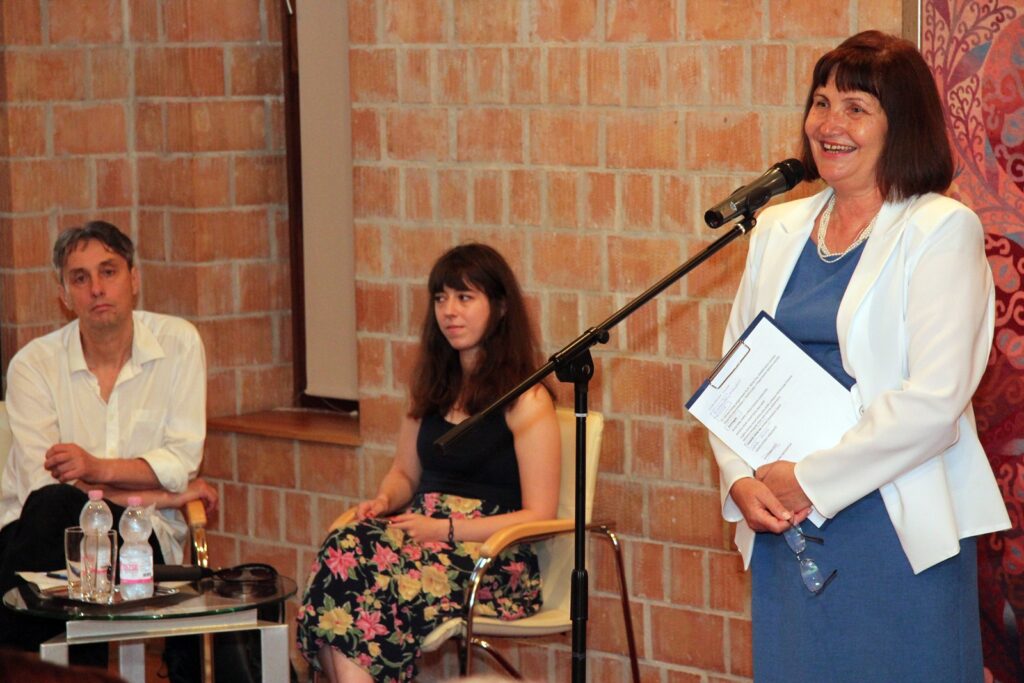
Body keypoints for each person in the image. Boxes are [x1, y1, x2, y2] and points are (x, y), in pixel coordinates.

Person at [710, 31, 1011, 681]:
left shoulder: (939, 228)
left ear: (900, 125)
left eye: (856, 108)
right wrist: (740, 478)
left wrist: (811, 479)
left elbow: (934, 401)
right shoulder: (777, 229)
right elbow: (734, 376)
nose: (829, 124)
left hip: (893, 522)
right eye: (821, 103)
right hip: (783, 521)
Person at [296, 243, 560, 682]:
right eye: (441, 298)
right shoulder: (433, 387)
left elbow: (540, 514)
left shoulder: (527, 398)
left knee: (364, 578)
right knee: (343, 547)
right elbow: (404, 473)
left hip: (491, 558)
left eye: (465, 297)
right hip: (422, 538)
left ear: (500, 308)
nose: (449, 311)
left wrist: (446, 530)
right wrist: (385, 499)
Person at [0, 221, 217, 658]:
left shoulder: (179, 345)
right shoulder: (33, 366)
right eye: (80, 278)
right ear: (64, 295)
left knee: (60, 527)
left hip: (140, 542)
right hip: (40, 534)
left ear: (134, 279)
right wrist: (164, 495)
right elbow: (43, 490)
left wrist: (94, 469)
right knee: (55, 513)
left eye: (109, 271)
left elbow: (181, 462)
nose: (97, 288)